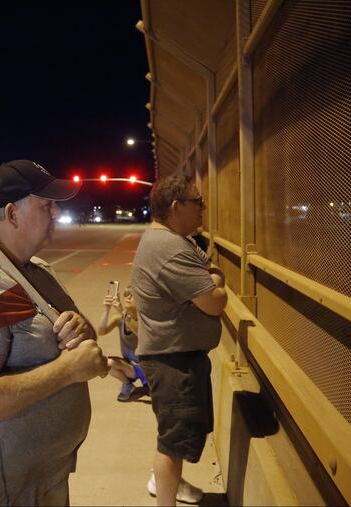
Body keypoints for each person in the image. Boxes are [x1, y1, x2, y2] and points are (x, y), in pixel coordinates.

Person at [0, 159, 110, 506]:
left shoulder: (38, 273)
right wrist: (68, 371)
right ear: (12, 214)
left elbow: (85, 335)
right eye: (46, 206)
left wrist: (81, 328)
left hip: (47, 472)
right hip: (8, 486)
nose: (55, 216)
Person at [131, 174, 227, 506]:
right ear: (176, 207)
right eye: (197, 202)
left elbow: (210, 270)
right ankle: (165, 497)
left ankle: (168, 487)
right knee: (172, 444)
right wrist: (215, 281)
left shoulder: (179, 240)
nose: (203, 208)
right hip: (172, 360)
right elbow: (215, 300)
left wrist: (213, 277)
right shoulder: (169, 247)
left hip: (175, 357)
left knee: (174, 439)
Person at [96, 285, 149, 401]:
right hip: (131, 366)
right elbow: (101, 331)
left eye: (132, 295)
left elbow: (140, 333)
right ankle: (128, 385)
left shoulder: (144, 319)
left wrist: (122, 311)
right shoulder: (119, 319)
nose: (128, 297)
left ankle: (150, 385)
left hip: (149, 368)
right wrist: (106, 309)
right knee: (107, 363)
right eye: (126, 295)